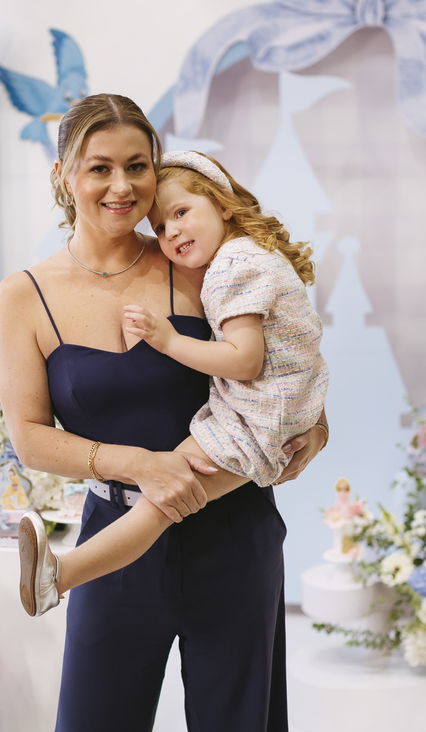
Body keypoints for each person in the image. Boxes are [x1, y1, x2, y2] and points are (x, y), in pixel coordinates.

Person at [0, 94, 326, 731]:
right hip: (112, 547)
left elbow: (283, 355)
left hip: (233, 540)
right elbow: (30, 439)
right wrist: (143, 466)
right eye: (100, 167)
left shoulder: (195, 260)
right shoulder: (23, 297)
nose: (122, 186)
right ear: (64, 174)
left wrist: (318, 425)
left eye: (137, 166)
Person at [18, 149, 328, 614]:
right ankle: (58, 575)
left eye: (182, 213)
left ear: (222, 204)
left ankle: (59, 575)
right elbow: (288, 352)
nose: (172, 232)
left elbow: (248, 360)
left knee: (158, 502)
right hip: (255, 421)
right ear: (64, 177)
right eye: (161, 226)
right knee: (159, 497)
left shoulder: (226, 267)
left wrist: (167, 340)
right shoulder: (241, 257)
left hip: (249, 450)